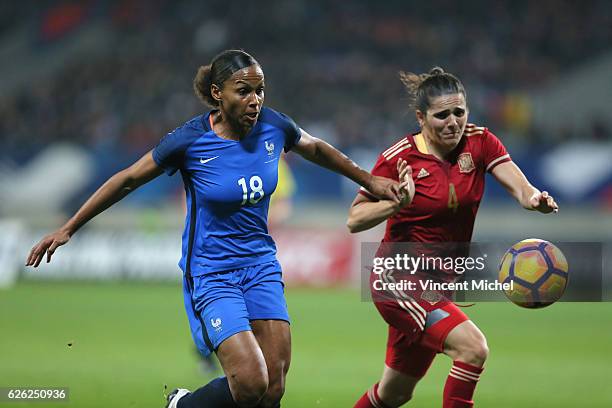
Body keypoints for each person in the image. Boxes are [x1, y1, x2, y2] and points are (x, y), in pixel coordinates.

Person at [25, 49, 400, 408]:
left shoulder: (273, 125)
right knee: (252, 382)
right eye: (244, 91)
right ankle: (182, 404)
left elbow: (316, 148)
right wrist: (70, 227)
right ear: (218, 94)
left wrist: (370, 181)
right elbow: (127, 179)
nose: (255, 100)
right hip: (212, 271)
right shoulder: (190, 141)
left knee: (273, 387)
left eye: (260, 90)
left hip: (261, 266)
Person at [348, 67, 558, 408]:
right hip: (397, 278)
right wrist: (395, 202)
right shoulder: (398, 158)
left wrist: (534, 198)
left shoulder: (480, 142)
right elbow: (354, 219)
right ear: (421, 117)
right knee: (473, 348)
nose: (452, 122)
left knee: (394, 393)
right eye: (441, 115)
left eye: (459, 112)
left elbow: (520, 186)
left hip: (439, 284)